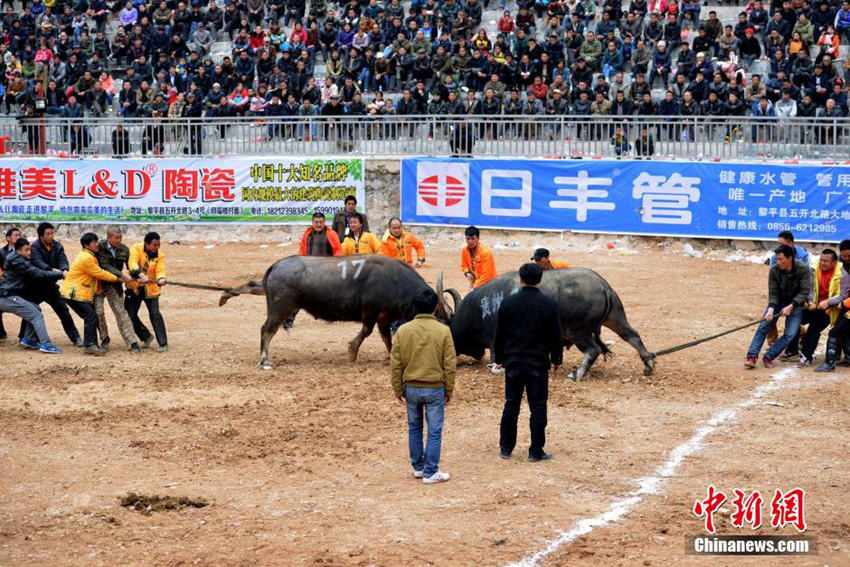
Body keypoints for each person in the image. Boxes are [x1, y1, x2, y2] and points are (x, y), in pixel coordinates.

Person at [494, 263, 563, 462]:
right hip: (537, 364)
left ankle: (506, 448)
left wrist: (499, 358)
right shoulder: (549, 304)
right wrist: (556, 358)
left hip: (514, 362)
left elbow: (499, 334)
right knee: (538, 407)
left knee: (511, 405)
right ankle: (535, 450)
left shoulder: (508, 303)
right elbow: (555, 336)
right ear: (540, 280)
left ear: (520, 279)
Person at [390, 288, 456, 484]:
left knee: (414, 428)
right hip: (435, 387)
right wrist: (449, 389)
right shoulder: (444, 331)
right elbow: (450, 364)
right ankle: (431, 471)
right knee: (434, 430)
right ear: (436, 308)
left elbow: (396, 363)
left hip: (411, 387)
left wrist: (397, 389)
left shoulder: (403, 330)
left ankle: (418, 467)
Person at [61, 232, 132, 356]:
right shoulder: (87, 258)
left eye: (97, 241)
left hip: (76, 292)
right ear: (86, 245)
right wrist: (119, 278)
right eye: (94, 242)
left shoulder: (89, 255)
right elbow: (100, 273)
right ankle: (89, 345)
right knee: (91, 316)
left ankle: (91, 344)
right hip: (74, 293)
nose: (97, 244)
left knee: (91, 316)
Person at [745, 244, 812, 368]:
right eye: (777, 258)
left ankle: (769, 356)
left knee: (790, 334)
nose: (777, 261)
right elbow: (773, 293)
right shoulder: (774, 270)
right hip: (778, 302)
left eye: (780, 259)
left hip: (796, 304)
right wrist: (771, 309)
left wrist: (791, 305)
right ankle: (752, 356)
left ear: (790, 258)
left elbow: (804, 292)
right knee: (763, 326)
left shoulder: (803, 269)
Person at [0, 237, 64, 353]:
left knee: (36, 308)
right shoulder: (18, 262)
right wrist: (60, 275)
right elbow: (37, 273)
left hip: (8, 295)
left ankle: (29, 339)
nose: (29, 252)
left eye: (29, 249)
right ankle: (46, 344)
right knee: (36, 316)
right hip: (6, 297)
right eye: (26, 250)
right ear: (18, 251)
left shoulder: (17, 258)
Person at [30, 222, 83, 346]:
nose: (51, 236)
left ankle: (75, 338)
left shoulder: (57, 245)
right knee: (30, 311)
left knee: (63, 311)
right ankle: (26, 337)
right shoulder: (34, 247)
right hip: (35, 286)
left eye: (52, 233)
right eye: (48, 234)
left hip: (51, 287)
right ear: (41, 236)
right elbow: (38, 264)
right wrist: (55, 271)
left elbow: (63, 260)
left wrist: (64, 269)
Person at [796, 247, 847, 367]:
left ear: (834, 263)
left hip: (832, 309)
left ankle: (806, 356)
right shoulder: (813, 269)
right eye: (821, 260)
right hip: (815, 305)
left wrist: (828, 302)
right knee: (795, 317)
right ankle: (792, 349)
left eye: (825, 261)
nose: (822, 263)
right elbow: (809, 289)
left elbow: (844, 295)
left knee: (815, 326)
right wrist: (811, 301)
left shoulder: (843, 273)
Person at [95, 227, 141, 353]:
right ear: (108, 238)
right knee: (98, 312)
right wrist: (121, 276)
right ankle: (104, 338)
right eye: (116, 238)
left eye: (120, 237)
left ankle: (132, 342)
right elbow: (104, 265)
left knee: (121, 312)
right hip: (98, 284)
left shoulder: (124, 249)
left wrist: (138, 276)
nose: (119, 240)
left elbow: (131, 265)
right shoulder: (99, 247)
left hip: (115, 285)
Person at [125, 232, 168, 353]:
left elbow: (161, 270)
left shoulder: (160, 255)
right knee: (129, 315)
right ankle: (145, 336)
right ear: (146, 243)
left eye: (158, 245)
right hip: (134, 287)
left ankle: (163, 343)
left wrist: (161, 278)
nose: (157, 248)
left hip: (151, 289)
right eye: (154, 245)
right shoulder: (136, 248)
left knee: (155, 314)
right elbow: (132, 264)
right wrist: (141, 275)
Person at [814, 240, 850, 372]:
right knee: (843, 330)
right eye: (844, 256)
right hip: (846, 305)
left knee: (834, 332)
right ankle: (847, 357)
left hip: (847, 305)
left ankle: (829, 362)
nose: (846, 259)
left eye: (849, 256)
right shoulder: (841, 265)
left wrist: (842, 303)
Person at [0, 226, 22, 340]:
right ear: (8, 238)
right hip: (5, 285)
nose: (18, 238)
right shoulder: (1, 252)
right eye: (16, 235)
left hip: (22, 284)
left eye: (20, 235)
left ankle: (24, 336)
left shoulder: (26, 250)